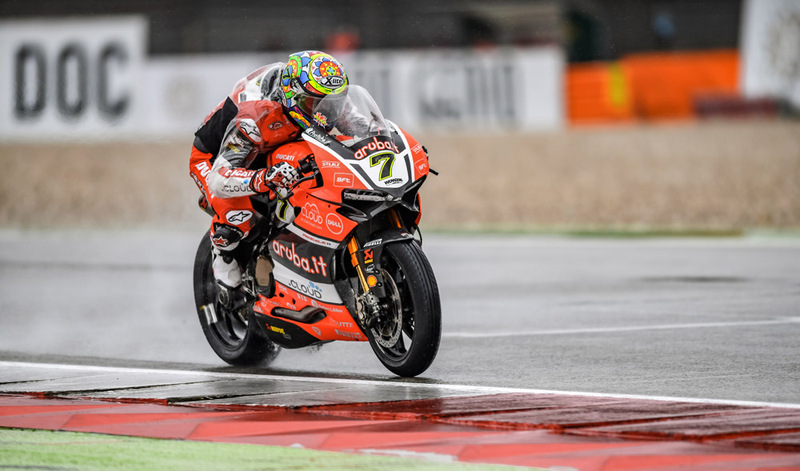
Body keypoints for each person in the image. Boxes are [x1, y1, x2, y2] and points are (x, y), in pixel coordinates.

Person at [189, 50, 349, 308]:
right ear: (293, 96)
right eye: (314, 103)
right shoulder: (255, 116)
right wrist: (265, 177)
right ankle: (223, 257)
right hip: (217, 157)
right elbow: (218, 179)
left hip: (273, 142)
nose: (325, 111)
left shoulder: (321, 102)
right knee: (238, 216)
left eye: (331, 103)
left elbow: (362, 128)